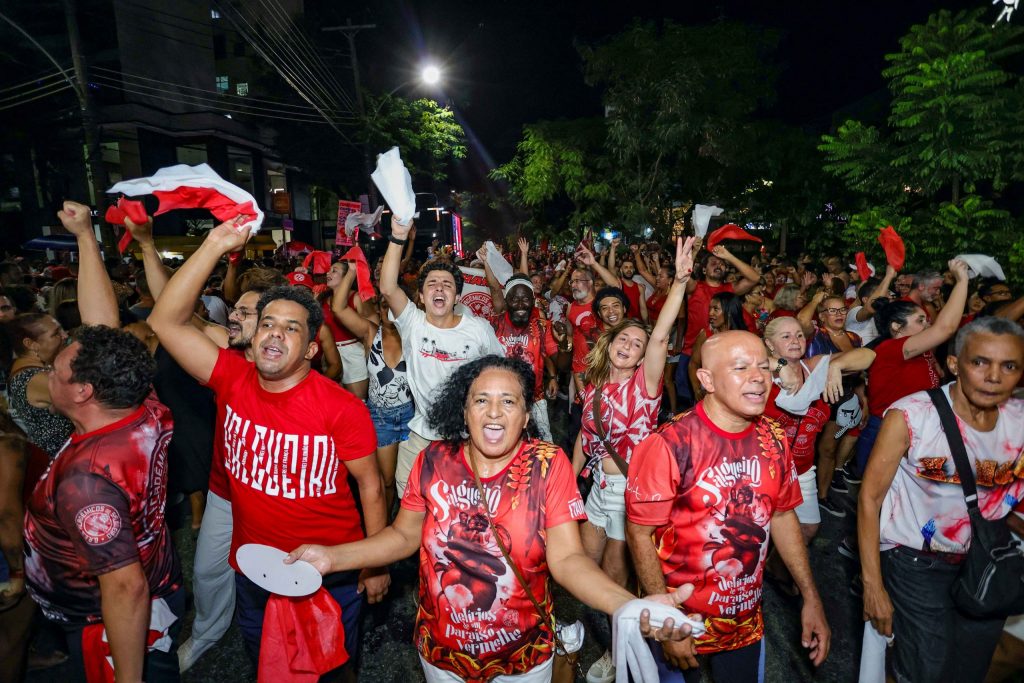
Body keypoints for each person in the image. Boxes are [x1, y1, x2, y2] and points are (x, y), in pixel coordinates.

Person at [286, 355, 697, 682]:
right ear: (463, 411)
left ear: (525, 415)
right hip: (442, 653)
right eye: (481, 400)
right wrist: (330, 558)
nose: (494, 412)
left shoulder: (547, 464)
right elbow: (401, 537)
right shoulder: (434, 460)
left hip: (521, 656)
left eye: (509, 401)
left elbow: (568, 560)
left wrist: (630, 607)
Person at [149, 218, 389, 674]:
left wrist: (372, 565)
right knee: (265, 661)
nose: (275, 333)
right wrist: (216, 243)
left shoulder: (341, 408)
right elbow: (165, 319)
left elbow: (372, 487)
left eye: (292, 328)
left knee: (332, 668)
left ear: (311, 351)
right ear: (253, 337)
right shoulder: (230, 377)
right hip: (254, 570)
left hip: (330, 571)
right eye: (268, 324)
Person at [626, 330, 831, 681]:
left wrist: (810, 596)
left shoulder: (774, 438)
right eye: (740, 368)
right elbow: (639, 533)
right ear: (707, 380)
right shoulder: (669, 445)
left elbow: (782, 515)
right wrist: (665, 618)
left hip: (745, 619)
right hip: (678, 621)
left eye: (764, 367)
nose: (758, 378)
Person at [859, 317, 1024, 683]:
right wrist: (873, 586)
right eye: (980, 362)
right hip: (915, 562)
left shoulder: (1019, 420)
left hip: (987, 562)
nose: (994, 376)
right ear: (954, 364)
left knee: (969, 669)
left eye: (1009, 366)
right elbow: (869, 499)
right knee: (925, 670)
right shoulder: (912, 416)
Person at [24, 323, 184, 683]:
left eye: (55, 371)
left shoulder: (89, 483)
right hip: (158, 577)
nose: (47, 374)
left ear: (83, 390)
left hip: (108, 623)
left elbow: (126, 588)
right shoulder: (144, 405)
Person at [575, 237, 694, 683]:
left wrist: (680, 281)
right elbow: (587, 443)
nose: (629, 344)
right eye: (622, 338)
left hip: (631, 495)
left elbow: (661, 332)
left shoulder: (644, 390)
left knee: (612, 580)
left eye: (637, 342)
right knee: (580, 570)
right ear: (610, 344)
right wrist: (570, 482)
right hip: (599, 491)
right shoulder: (594, 387)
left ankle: (616, 650)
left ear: (646, 356)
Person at [379, 217, 504, 499]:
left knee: (466, 508)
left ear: (457, 296)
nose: (439, 288)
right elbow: (387, 287)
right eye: (432, 284)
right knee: (412, 505)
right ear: (421, 297)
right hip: (421, 438)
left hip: (469, 438)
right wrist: (398, 236)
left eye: (447, 285)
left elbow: (502, 375)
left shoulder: (478, 329)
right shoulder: (413, 322)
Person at [855, 259, 970, 476]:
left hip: (915, 428)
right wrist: (962, 280)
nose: (927, 326)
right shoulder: (891, 348)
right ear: (897, 327)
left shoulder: (914, 348)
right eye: (920, 321)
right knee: (880, 502)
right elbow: (945, 328)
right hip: (886, 431)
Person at [331, 265, 412, 515]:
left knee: (411, 483)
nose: (389, 311)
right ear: (378, 309)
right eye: (384, 306)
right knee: (385, 481)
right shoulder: (370, 333)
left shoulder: (415, 335)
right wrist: (351, 274)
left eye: (394, 305)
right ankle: (385, 529)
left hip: (413, 418)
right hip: (381, 420)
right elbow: (338, 308)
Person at [482, 266, 570, 443]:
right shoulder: (491, 326)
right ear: (507, 300)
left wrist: (562, 345)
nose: (520, 305)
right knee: (503, 444)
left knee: (542, 448)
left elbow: (563, 366)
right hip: (500, 400)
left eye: (525, 299)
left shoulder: (543, 326)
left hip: (534, 401)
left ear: (533, 300)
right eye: (514, 299)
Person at [677, 245, 760, 410]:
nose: (718, 265)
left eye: (722, 263)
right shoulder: (695, 287)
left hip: (720, 354)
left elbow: (754, 278)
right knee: (688, 402)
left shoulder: (730, 290)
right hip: (691, 353)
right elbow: (683, 272)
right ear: (704, 270)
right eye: (713, 263)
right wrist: (693, 251)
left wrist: (728, 255)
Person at [687, 292, 749, 400]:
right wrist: (697, 389)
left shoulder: (744, 338)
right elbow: (693, 364)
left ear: (729, 311)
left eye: (716, 309)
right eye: (710, 308)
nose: (710, 313)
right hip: (709, 393)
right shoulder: (706, 335)